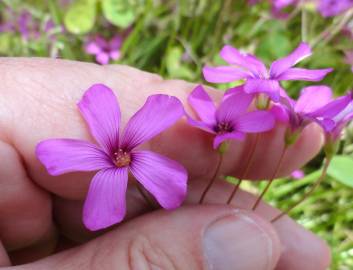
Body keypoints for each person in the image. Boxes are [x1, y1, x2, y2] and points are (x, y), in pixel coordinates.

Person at [0, 58, 330, 270]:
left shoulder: (129, 158)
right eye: (119, 157)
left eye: (123, 156)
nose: (121, 157)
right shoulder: (119, 160)